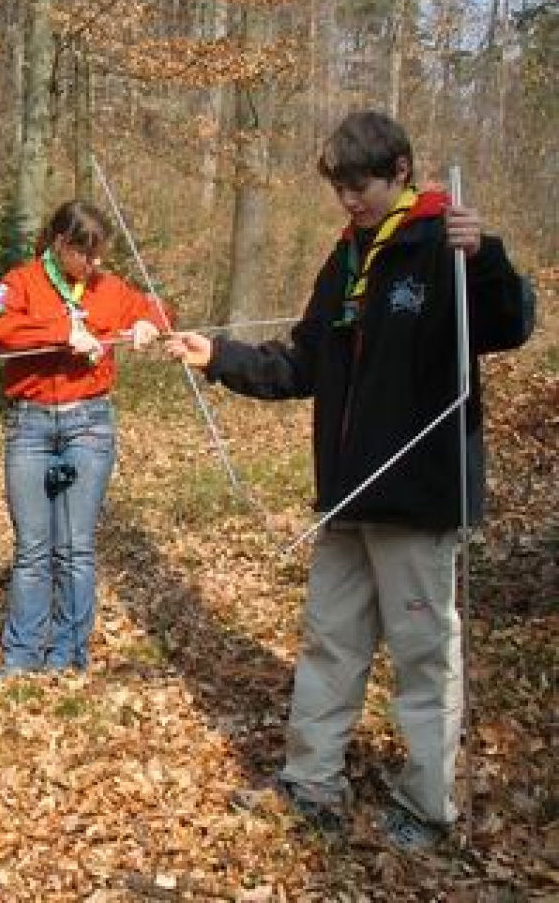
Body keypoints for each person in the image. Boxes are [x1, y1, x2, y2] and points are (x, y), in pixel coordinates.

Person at [164, 110, 533, 851]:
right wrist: (219, 357)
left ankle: (427, 805)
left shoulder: (443, 243)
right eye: (338, 187)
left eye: (358, 184)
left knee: (425, 659)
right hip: (348, 499)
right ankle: (311, 781)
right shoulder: (346, 257)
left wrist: (485, 256)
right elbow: (303, 362)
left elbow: (509, 322)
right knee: (330, 643)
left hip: (418, 498)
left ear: (398, 168)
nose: (348, 200)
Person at [0, 200, 167, 678]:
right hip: (30, 427)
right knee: (33, 549)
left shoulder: (109, 286)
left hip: (89, 424)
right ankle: (21, 657)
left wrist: (150, 324)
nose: (96, 264)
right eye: (87, 253)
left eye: (101, 254)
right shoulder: (21, 281)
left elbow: (157, 311)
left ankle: (67, 656)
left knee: (75, 547)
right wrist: (63, 330)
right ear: (61, 245)